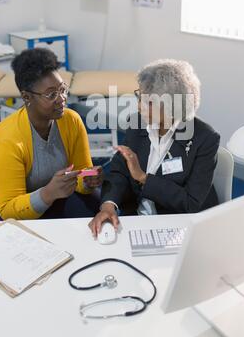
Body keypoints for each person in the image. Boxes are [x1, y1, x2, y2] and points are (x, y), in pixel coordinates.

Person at [89, 59, 220, 236]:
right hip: (135, 219)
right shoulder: (137, 123)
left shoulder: (204, 139)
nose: (139, 107)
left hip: (179, 226)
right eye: (140, 97)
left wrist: (143, 178)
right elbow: (119, 170)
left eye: (149, 102)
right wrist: (108, 205)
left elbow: (191, 203)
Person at [0, 48, 103, 221]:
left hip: (54, 196)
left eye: (62, 89)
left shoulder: (71, 120)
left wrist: (88, 181)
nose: (61, 98)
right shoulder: (6, 140)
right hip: (9, 209)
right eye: (51, 94)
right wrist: (47, 194)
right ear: (27, 97)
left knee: (100, 207)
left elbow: (81, 173)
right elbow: (7, 208)